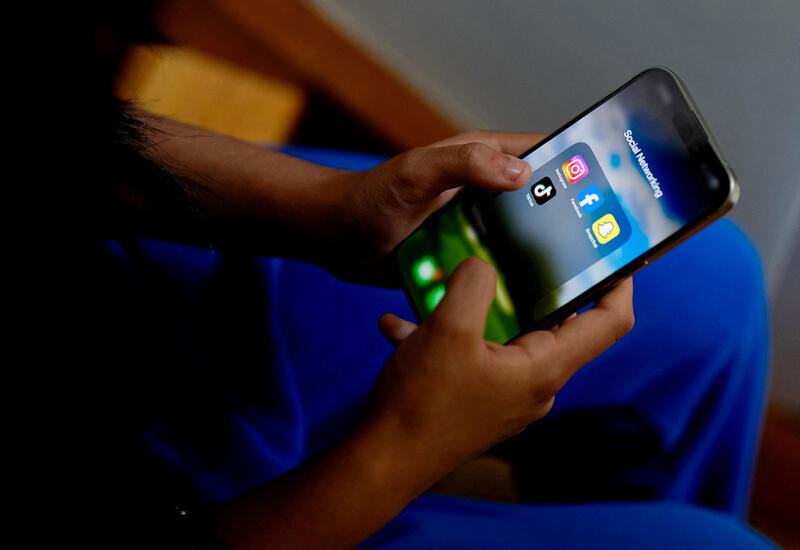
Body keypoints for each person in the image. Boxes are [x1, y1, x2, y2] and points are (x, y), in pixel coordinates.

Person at [27, 3, 773, 549]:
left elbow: (74, 134)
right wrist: (400, 450)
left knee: (718, 283)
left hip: (144, 282)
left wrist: (324, 209)